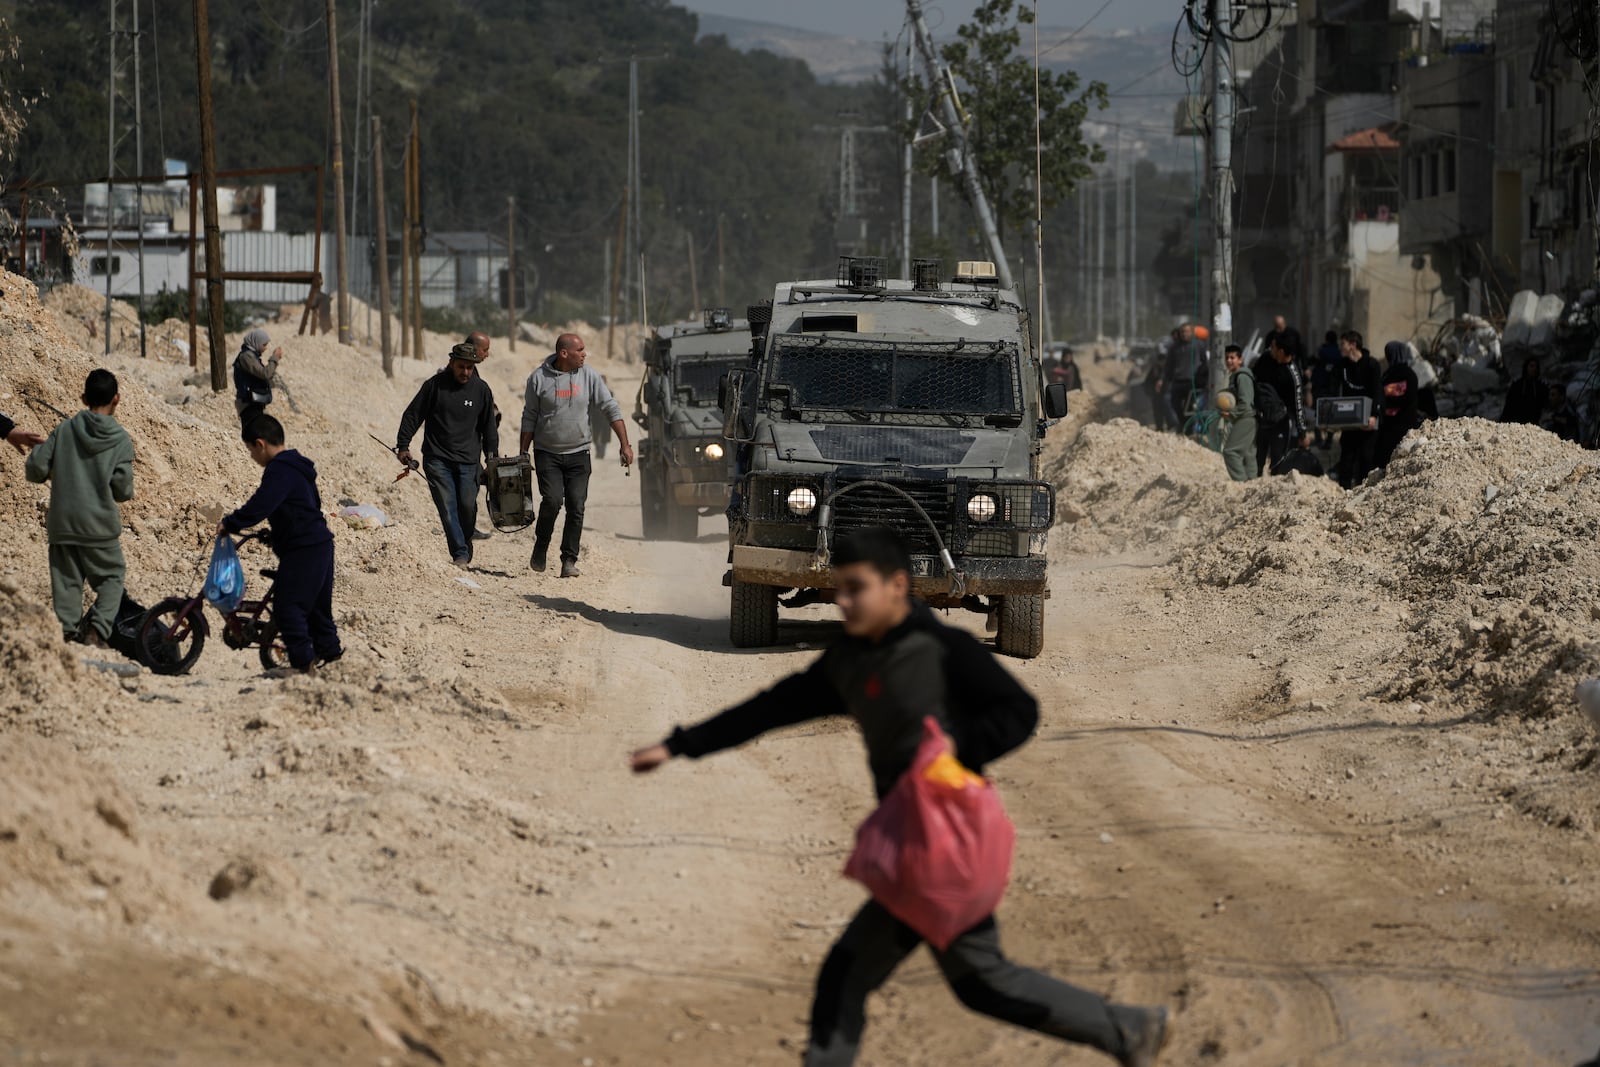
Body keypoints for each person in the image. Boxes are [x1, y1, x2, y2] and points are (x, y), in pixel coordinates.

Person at [629, 527, 1171, 1067]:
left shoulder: (942, 650)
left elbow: (1018, 711)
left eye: (854, 589)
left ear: (896, 585)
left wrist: (955, 753)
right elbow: (772, 707)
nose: (842, 601)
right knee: (966, 981)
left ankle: (1127, 1029)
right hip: (917, 846)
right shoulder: (851, 658)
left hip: (946, 846)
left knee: (862, 977)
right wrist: (680, 745)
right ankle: (1126, 1029)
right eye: (838, 589)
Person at [218, 413, 341, 672]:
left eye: (250, 450)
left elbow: (263, 503)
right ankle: (332, 662)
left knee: (288, 609)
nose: (252, 456)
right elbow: (304, 507)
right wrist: (276, 533)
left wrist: (231, 523)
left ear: (260, 444)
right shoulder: (298, 467)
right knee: (318, 612)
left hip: (303, 548)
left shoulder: (280, 469)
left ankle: (303, 667)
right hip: (319, 543)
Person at [24, 369, 134, 645]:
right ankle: (97, 631)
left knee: (67, 583)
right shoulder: (120, 440)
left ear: (83, 397)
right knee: (111, 577)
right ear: (117, 399)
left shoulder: (64, 430)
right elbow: (123, 491)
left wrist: (45, 453)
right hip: (99, 527)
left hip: (63, 524)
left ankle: (67, 634)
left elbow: (36, 469)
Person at [518, 333, 633, 577]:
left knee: (576, 506)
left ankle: (568, 560)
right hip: (547, 453)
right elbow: (529, 416)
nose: (584, 354)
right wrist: (522, 453)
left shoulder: (589, 376)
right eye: (579, 349)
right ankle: (541, 544)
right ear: (564, 354)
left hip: (579, 453)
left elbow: (609, 407)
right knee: (551, 501)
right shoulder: (538, 379)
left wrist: (625, 444)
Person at [397, 341, 500, 567]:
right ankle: (460, 553)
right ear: (451, 363)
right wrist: (403, 445)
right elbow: (413, 415)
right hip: (437, 459)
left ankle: (465, 541)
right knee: (447, 506)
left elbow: (489, 428)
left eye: (469, 368)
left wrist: (491, 458)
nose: (465, 372)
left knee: (466, 506)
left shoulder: (481, 390)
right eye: (461, 367)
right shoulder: (434, 386)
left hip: (468, 461)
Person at [1253, 335, 1310, 476]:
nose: (1269, 349)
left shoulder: (1293, 374)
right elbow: (1253, 378)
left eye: (1273, 347)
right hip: (1261, 417)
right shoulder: (1265, 359)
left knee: (1278, 463)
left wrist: (1302, 433)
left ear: (1281, 351)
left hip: (1280, 421)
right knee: (1256, 460)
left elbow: (1298, 405)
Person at [1334, 330, 1382, 489]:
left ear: (1353, 345)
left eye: (1343, 344)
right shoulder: (1342, 366)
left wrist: (1374, 414)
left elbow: (1377, 391)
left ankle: (1364, 492)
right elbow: (1333, 389)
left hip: (1368, 421)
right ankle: (1344, 493)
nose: (1340, 348)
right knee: (1346, 459)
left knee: (1366, 459)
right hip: (1349, 421)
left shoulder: (1372, 365)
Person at [1374, 341, 1421, 468]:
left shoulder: (1403, 375)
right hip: (1393, 424)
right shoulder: (1391, 374)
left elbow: (1409, 397)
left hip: (1401, 423)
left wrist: (1388, 403)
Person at [233, 328, 286, 426]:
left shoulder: (252, 355)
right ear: (256, 343)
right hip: (248, 403)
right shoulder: (247, 357)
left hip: (253, 402)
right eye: (264, 345)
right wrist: (275, 357)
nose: (266, 348)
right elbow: (265, 373)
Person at [1219, 344, 1257, 482]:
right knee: (1248, 453)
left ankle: (1241, 483)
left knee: (1230, 452)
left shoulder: (1242, 377)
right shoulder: (1235, 377)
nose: (1229, 360)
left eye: (1232, 357)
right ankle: (1252, 483)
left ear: (1240, 360)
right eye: (1227, 358)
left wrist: (1231, 414)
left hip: (1245, 417)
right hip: (1245, 418)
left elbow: (1245, 403)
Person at [1159, 324, 1203, 433]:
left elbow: (1204, 363)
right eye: (1182, 332)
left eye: (1187, 331)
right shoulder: (1174, 347)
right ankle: (1181, 424)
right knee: (1174, 404)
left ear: (1192, 332)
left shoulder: (1198, 345)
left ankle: (1189, 429)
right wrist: (1163, 380)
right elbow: (1169, 366)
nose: (1184, 334)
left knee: (1192, 407)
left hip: (1193, 382)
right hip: (1178, 381)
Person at [1310, 330, 1342, 446]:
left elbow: (1312, 361)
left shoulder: (1322, 351)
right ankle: (1329, 440)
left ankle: (1319, 439)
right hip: (1333, 389)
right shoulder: (1339, 353)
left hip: (1320, 387)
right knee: (1331, 415)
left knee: (1318, 414)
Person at [1500, 357, 1546, 425]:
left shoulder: (1541, 386)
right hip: (1517, 420)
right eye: (1531, 366)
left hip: (1534, 421)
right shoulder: (1517, 385)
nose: (1534, 369)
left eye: (1536, 367)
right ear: (1526, 367)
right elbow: (1509, 404)